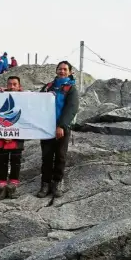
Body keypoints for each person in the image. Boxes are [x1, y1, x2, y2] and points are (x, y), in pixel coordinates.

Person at [37, 61, 79, 204]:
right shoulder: (48, 87)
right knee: (47, 156)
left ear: (69, 72)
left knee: (60, 156)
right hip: (46, 128)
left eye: (65, 69)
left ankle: (57, 182)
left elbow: (71, 108)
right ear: (56, 70)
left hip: (62, 128)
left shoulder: (71, 89)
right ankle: (45, 183)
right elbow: (34, 101)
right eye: (60, 69)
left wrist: (61, 125)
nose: (62, 71)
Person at [0, 76, 24, 200]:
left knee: (16, 161)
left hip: (18, 134)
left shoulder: (26, 97)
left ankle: (12, 188)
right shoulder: (0, 95)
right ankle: (1, 187)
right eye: (10, 84)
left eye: (15, 84)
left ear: (19, 86)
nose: (12, 86)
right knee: (2, 161)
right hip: (2, 134)